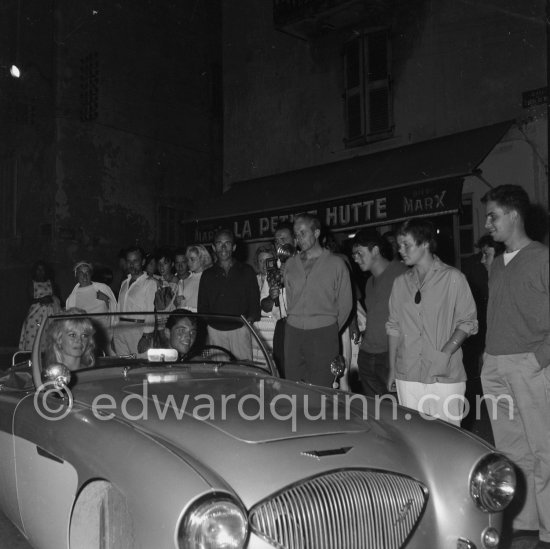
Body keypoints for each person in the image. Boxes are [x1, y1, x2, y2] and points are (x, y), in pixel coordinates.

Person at [480, 185, 550, 548]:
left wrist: (540, 359)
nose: (487, 223)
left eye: (493, 215)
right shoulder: (496, 263)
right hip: (495, 366)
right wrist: (488, 357)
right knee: (512, 452)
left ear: (513, 215)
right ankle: (524, 526)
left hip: (529, 363)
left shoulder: (542, 258)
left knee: (545, 450)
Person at [386, 218, 478, 425]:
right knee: (414, 437)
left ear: (425, 243)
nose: (401, 250)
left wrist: (444, 353)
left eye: (406, 245)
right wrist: (392, 368)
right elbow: (394, 327)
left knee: (448, 438)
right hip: (407, 373)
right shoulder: (400, 283)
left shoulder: (453, 278)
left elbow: (468, 321)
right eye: (399, 245)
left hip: (443, 375)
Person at [283, 214, 353, 387]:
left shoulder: (336, 263)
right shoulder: (291, 264)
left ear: (316, 233)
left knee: (322, 389)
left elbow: (346, 304)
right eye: (296, 234)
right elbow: (289, 299)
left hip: (324, 333)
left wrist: (330, 327)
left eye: (303, 233)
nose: (298, 239)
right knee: (293, 385)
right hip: (293, 333)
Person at [352, 230, 407, 397]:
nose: (355, 258)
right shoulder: (369, 282)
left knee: (397, 413)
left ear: (375, 250)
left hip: (390, 356)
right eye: (353, 254)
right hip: (368, 355)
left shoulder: (401, 273)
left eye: (359, 253)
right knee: (377, 413)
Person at [197, 228, 260, 360]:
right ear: (214, 247)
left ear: (234, 247)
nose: (223, 247)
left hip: (240, 330)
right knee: (220, 374)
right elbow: (202, 307)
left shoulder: (247, 271)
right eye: (219, 243)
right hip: (215, 332)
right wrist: (209, 328)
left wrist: (248, 322)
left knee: (244, 372)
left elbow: (254, 302)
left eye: (227, 243)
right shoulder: (207, 275)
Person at [65, 261, 118, 354]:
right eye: (81, 273)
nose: (84, 276)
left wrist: (107, 300)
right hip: (84, 338)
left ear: (91, 274)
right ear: (76, 275)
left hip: (104, 335)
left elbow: (116, 310)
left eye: (87, 273)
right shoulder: (72, 298)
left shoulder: (103, 288)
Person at [115, 247, 157, 355]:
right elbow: (118, 309)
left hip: (138, 330)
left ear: (142, 262)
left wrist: (146, 336)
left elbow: (150, 311)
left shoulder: (149, 283)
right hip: (120, 330)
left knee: (140, 367)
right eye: (129, 261)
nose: (131, 264)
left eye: (135, 261)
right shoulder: (124, 282)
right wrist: (114, 333)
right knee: (122, 365)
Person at [19, 261, 62, 351]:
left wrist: (51, 299)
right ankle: (31, 358)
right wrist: (41, 299)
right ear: (35, 271)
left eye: (42, 269)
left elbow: (57, 298)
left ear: (46, 271)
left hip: (49, 314)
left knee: (48, 337)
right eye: (38, 269)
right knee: (34, 337)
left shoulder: (51, 283)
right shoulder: (32, 284)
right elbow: (30, 300)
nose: (40, 271)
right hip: (35, 315)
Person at [177, 244, 213, 311]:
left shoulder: (210, 279)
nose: (189, 263)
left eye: (192, 259)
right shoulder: (183, 281)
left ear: (202, 259)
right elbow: (180, 309)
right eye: (188, 260)